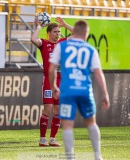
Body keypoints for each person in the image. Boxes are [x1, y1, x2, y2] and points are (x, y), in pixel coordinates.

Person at [48, 20, 110, 160]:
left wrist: (53, 87)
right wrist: (105, 94)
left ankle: (70, 157)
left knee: (68, 125)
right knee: (91, 123)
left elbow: (51, 69)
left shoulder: (61, 46)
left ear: (73, 32)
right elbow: (98, 73)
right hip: (85, 91)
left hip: (67, 91)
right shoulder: (90, 49)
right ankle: (97, 156)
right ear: (86, 34)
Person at [30, 17, 74, 147]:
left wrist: (65, 25)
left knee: (58, 110)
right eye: (55, 31)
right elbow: (33, 39)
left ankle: (52, 139)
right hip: (49, 81)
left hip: (62, 81)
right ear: (49, 33)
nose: (58, 33)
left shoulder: (63, 43)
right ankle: (42, 138)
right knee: (48, 109)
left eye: (59, 31)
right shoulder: (43, 43)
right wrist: (38, 27)